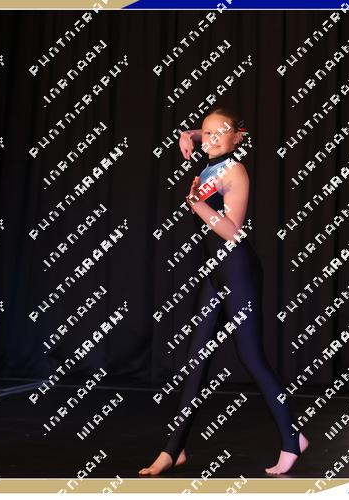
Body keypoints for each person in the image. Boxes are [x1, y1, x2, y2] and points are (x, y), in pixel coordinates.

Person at [139, 107, 308, 477]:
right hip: (214, 273)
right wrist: (188, 134)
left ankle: (292, 439)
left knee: (251, 357)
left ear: (237, 137)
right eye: (207, 132)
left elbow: (232, 231)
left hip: (237, 271)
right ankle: (173, 450)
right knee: (196, 360)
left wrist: (197, 204)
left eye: (221, 133)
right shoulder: (213, 156)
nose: (211, 139)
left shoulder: (235, 171)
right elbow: (209, 134)